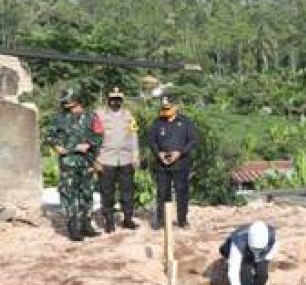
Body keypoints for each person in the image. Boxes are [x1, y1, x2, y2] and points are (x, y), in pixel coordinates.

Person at [46, 88, 104, 241]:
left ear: (78, 101)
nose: (69, 108)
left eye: (71, 105)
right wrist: (59, 146)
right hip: (68, 163)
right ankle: (73, 228)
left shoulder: (92, 116)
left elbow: (99, 136)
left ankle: (86, 225)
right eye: (67, 105)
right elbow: (51, 137)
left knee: (87, 194)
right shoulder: (59, 118)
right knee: (69, 195)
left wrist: (91, 148)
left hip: (87, 162)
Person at [148, 94, 199, 229]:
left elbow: (193, 140)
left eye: (168, 108)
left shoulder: (186, 122)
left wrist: (180, 153)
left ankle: (182, 220)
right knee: (162, 193)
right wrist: (159, 154)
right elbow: (151, 140)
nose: (165, 111)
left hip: (181, 163)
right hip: (162, 164)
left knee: (182, 192)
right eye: (164, 108)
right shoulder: (157, 122)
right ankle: (160, 221)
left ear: (175, 107)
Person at [96, 87, 139, 233]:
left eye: (118, 99)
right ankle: (109, 221)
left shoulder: (129, 115)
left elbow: (134, 135)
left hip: (126, 159)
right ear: (108, 100)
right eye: (113, 99)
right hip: (107, 159)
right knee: (107, 191)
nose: (115, 102)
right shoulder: (100, 116)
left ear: (122, 100)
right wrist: (97, 159)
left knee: (127, 190)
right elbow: (95, 137)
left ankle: (127, 219)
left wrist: (135, 155)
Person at [220, 221, 278, 285]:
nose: (256, 252)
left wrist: (258, 260)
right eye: (254, 249)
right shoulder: (239, 242)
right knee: (245, 273)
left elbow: (268, 256)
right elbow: (233, 272)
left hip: (260, 254)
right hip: (234, 248)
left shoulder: (272, 237)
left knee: (262, 274)